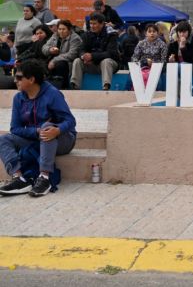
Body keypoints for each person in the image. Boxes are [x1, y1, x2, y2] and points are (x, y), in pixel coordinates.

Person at [0, 60, 77, 197]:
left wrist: (57, 130)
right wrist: (36, 131)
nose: (15, 80)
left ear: (31, 79)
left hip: (63, 140)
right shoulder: (18, 98)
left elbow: (70, 121)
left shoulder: (52, 94)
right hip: (36, 138)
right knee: (4, 139)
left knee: (47, 128)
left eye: (19, 78)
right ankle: (19, 178)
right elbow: (15, 129)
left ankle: (44, 178)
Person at [70, 12, 121, 90]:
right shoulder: (86, 35)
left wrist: (92, 57)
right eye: (90, 23)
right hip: (91, 64)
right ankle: (75, 87)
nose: (92, 26)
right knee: (77, 61)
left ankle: (106, 87)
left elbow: (111, 53)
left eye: (94, 24)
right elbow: (81, 49)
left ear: (102, 24)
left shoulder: (111, 35)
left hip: (108, 65)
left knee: (106, 61)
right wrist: (84, 56)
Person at [42, 20, 82, 89]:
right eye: (59, 29)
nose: (61, 31)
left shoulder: (75, 38)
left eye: (64, 29)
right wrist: (50, 50)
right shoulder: (55, 36)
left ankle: (63, 87)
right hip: (52, 60)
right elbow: (44, 48)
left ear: (69, 30)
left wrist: (54, 60)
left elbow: (72, 54)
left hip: (68, 63)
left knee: (60, 64)